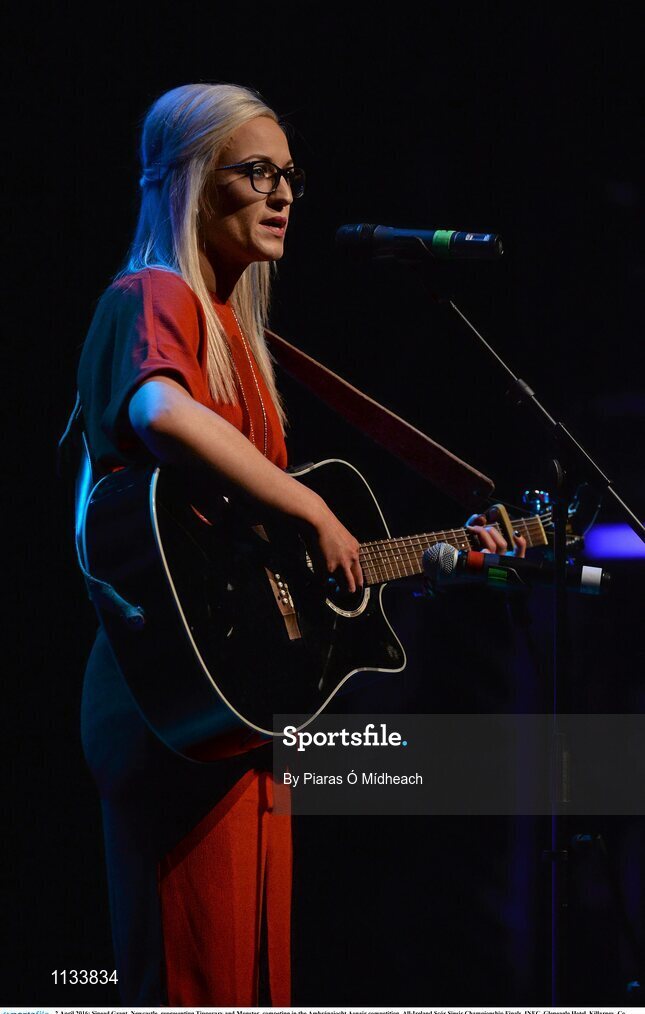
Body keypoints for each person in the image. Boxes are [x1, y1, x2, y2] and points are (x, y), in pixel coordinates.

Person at [74, 80, 525, 1006]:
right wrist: (315, 511)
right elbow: (157, 410)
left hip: (242, 706)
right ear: (193, 183)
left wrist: (434, 560)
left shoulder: (242, 337)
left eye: (289, 175)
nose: (282, 194)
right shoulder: (154, 293)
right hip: (170, 701)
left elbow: (271, 570)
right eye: (255, 172)